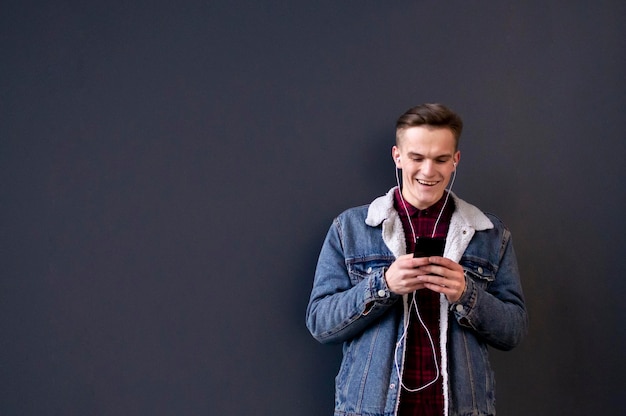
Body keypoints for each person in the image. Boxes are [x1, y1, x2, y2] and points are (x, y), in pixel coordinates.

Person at [305, 103, 527, 416]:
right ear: (398, 156)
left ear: (455, 161)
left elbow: (513, 331)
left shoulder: (489, 234)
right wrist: (382, 286)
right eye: (417, 157)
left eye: (440, 159)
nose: (428, 171)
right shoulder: (350, 229)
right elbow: (320, 323)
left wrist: (468, 295)